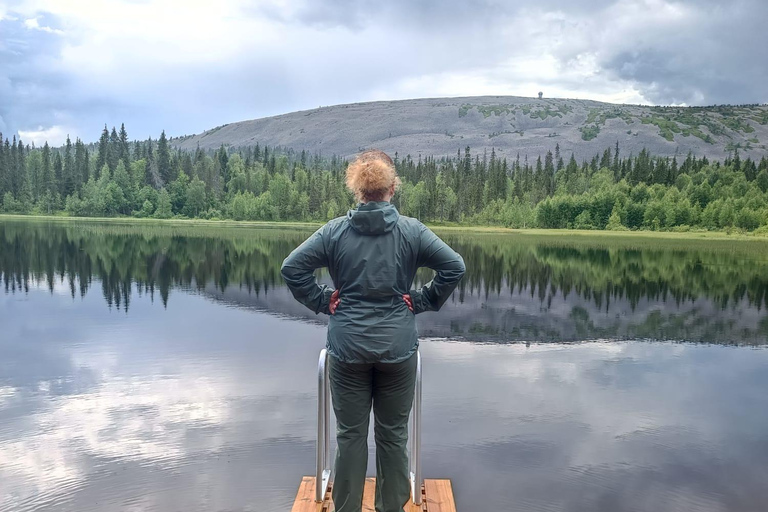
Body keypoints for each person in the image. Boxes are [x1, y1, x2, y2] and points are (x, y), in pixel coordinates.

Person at [281, 149, 465, 512]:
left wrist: (322, 300)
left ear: (358, 191)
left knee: (350, 437)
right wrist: (423, 299)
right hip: (397, 349)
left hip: (347, 349)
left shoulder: (334, 232)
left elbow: (292, 268)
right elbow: (454, 267)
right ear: (392, 188)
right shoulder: (412, 232)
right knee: (393, 437)